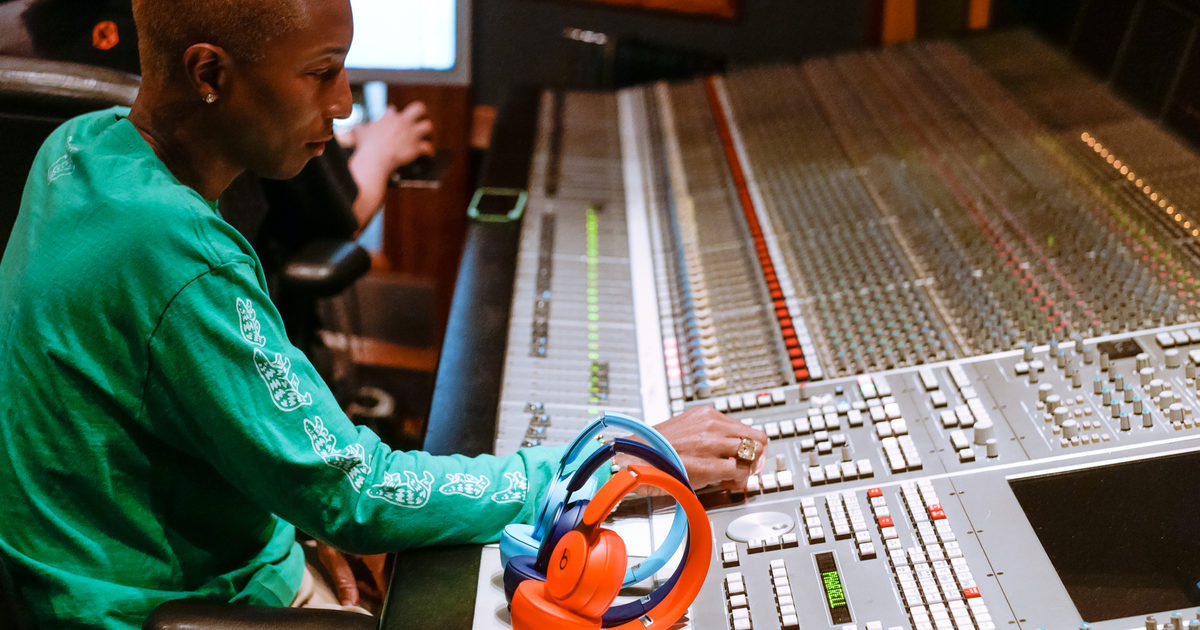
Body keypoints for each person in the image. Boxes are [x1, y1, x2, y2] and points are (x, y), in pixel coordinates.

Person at [0, 1, 768, 629]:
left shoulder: (76, 145)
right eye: (322, 73)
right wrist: (611, 464)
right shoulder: (181, 257)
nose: (342, 103)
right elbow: (357, 493)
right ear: (210, 73)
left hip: (87, 576)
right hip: (154, 608)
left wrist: (290, 521)